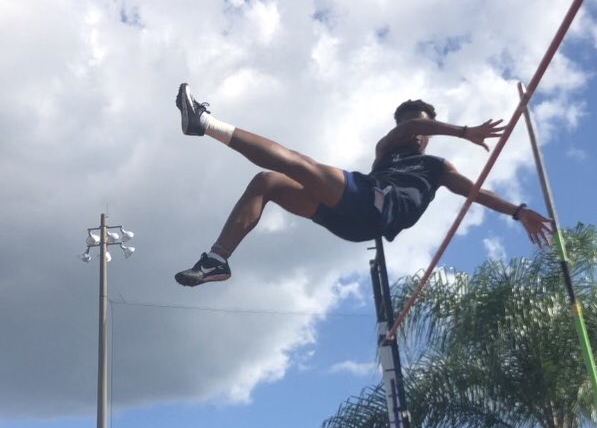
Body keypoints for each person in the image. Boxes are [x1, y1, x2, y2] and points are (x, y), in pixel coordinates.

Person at [173, 85, 553, 286]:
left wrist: (518, 212)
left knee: (300, 164)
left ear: (430, 137)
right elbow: (409, 127)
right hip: (357, 214)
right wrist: (464, 131)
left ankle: (204, 123)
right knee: (269, 181)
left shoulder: (437, 166)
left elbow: (474, 191)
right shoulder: (387, 148)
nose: (416, 136)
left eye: (424, 131)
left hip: (377, 212)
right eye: (413, 128)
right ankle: (217, 261)